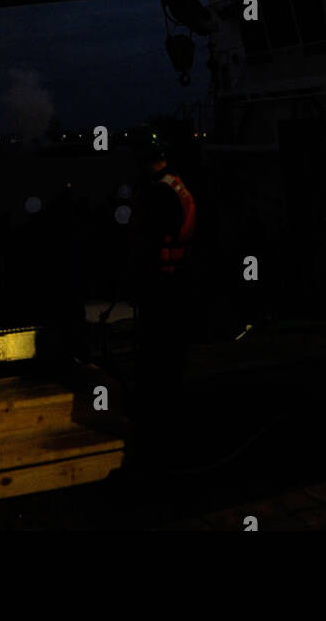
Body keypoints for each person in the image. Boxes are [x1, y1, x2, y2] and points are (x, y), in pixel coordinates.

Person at [131, 139, 197, 438]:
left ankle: (156, 416)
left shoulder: (159, 192)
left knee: (157, 350)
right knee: (172, 350)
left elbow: (150, 236)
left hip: (162, 281)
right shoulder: (177, 185)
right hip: (176, 277)